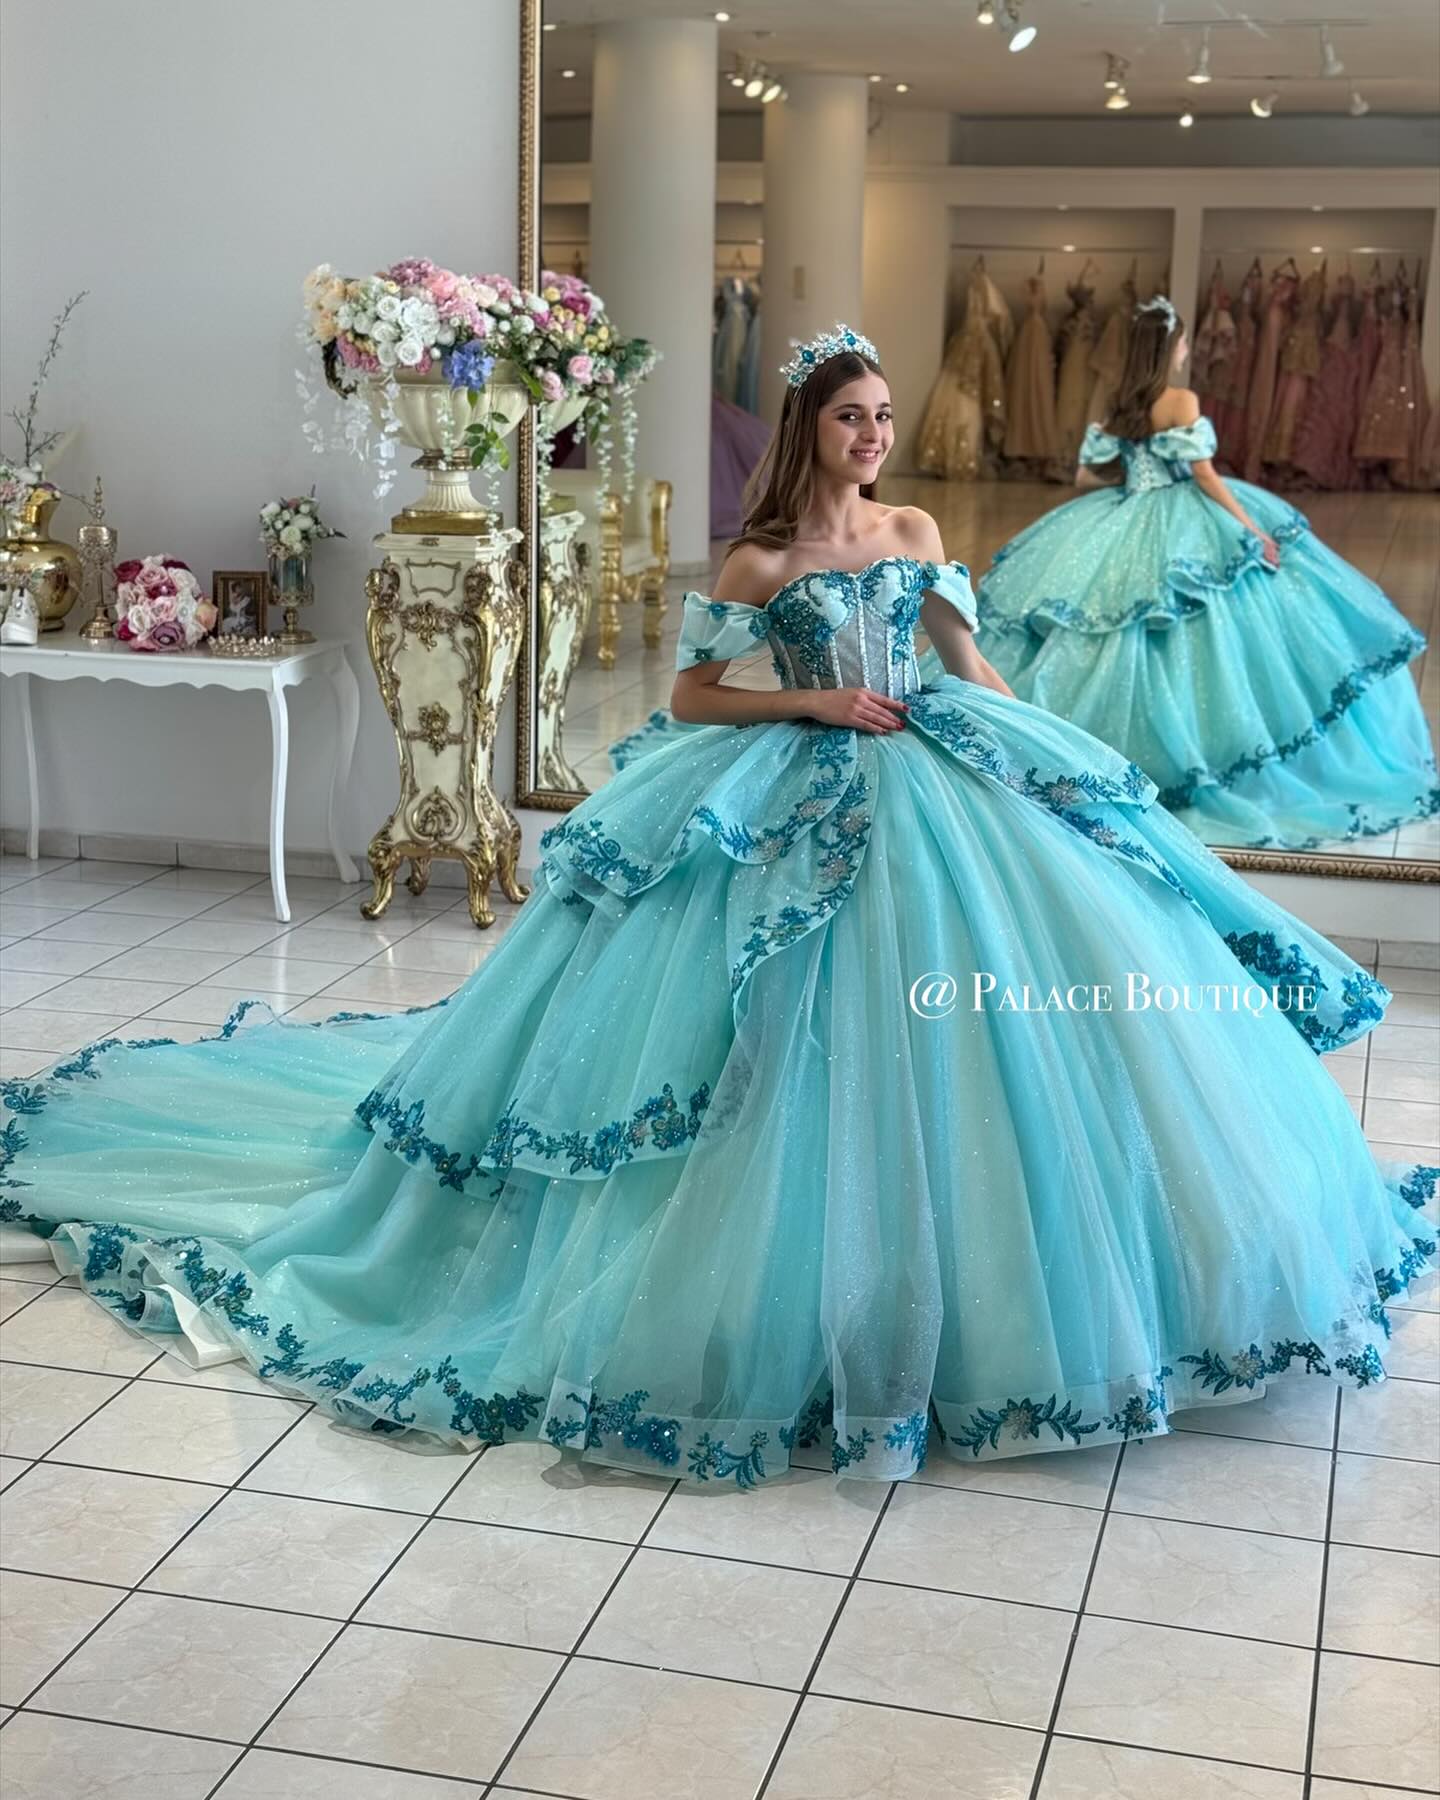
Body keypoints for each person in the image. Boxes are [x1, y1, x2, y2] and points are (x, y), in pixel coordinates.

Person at [2, 324, 1434, 1489]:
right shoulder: (761, 563)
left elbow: (968, 664)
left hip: (940, 775)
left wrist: (1054, 762)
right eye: (852, 417)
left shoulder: (917, 526)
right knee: (763, 1031)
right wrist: (813, 702)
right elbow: (693, 697)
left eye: (883, 417)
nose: (873, 436)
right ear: (812, 427)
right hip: (794, 775)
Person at [962, 296, 1439, 850]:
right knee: (1209, 622)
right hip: (1182, 511)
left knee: (1112, 621)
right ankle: (1211, 750)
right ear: (1172, 346)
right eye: (1184, 340)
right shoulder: (1181, 399)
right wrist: (1250, 530)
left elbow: (1088, 474)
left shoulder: (1121, 402)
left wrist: (1134, 477)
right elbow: (1206, 476)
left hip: (1126, 511)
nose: (1187, 349)